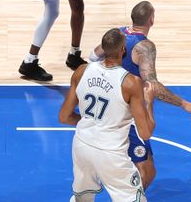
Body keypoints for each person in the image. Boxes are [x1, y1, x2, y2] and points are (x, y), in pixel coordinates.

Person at [87, 1, 191, 189]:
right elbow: (152, 85)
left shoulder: (118, 34)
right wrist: (184, 104)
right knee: (144, 173)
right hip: (130, 115)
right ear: (152, 20)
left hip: (108, 106)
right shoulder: (145, 47)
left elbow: (93, 57)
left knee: (149, 171)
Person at [59, 28, 155, 202]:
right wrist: (149, 101)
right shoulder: (131, 83)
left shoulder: (81, 71)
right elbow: (146, 132)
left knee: (82, 198)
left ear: (102, 49)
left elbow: (64, 117)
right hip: (111, 153)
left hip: (82, 146)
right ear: (123, 50)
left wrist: (92, 121)